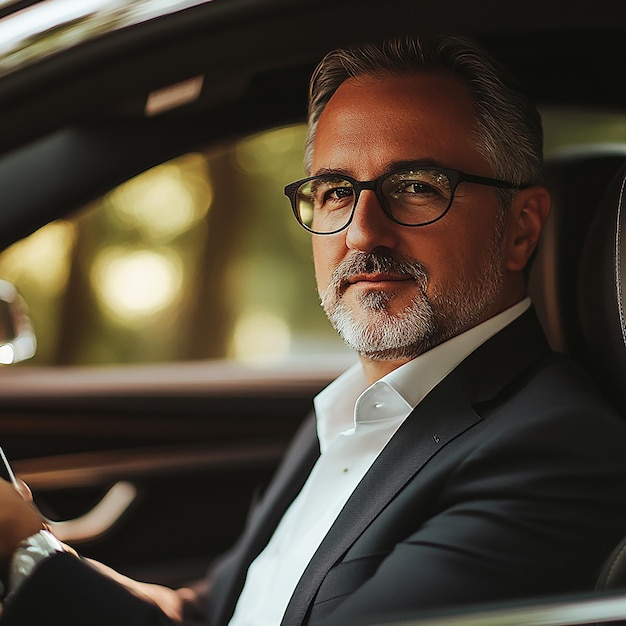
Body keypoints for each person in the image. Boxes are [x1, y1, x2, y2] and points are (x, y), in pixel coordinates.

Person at [2, 34, 626, 626]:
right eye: (334, 192)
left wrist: (23, 552)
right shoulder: (351, 406)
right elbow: (212, 612)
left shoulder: (554, 453)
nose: (361, 233)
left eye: (414, 187)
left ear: (521, 227)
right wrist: (35, 554)